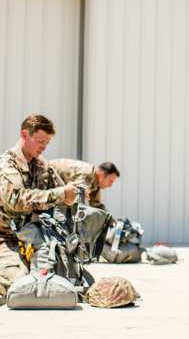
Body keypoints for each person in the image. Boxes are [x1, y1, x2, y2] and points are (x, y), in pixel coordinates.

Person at [0, 115, 80, 305]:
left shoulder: (42, 165)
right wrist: (61, 194)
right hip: (6, 240)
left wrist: (74, 195)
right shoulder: (7, 165)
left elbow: (61, 193)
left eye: (47, 143)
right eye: (40, 141)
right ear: (25, 135)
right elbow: (16, 200)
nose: (43, 147)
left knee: (64, 279)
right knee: (23, 284)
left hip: (37, 239)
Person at [49, 159, 119, 211]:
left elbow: (96, 204)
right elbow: (75, 198)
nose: (110, 185)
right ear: (102, 175)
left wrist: (110, 220)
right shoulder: (87, 175)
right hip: (46, 176)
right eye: (110, 181)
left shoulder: (96, 182)